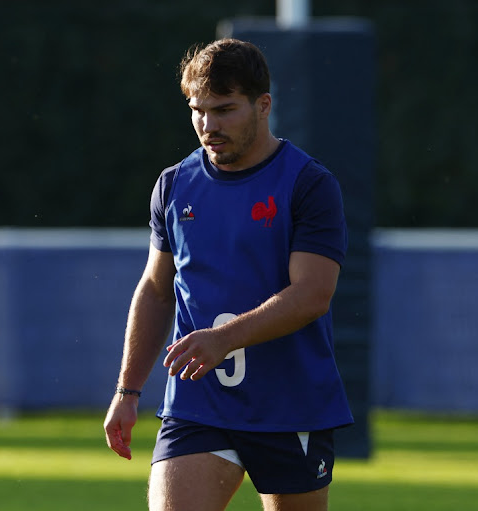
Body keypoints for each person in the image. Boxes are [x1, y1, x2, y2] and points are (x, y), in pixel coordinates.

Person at [104, 38, 353, 511]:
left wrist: (224, 339)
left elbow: (312, 295)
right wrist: (127, 390)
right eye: (197, 110)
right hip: (199, 403)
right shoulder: (175, 184)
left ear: (263, 106)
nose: (207, 125)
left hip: (289, 404)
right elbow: (157, 292)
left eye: (224, 110)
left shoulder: (309, 184)